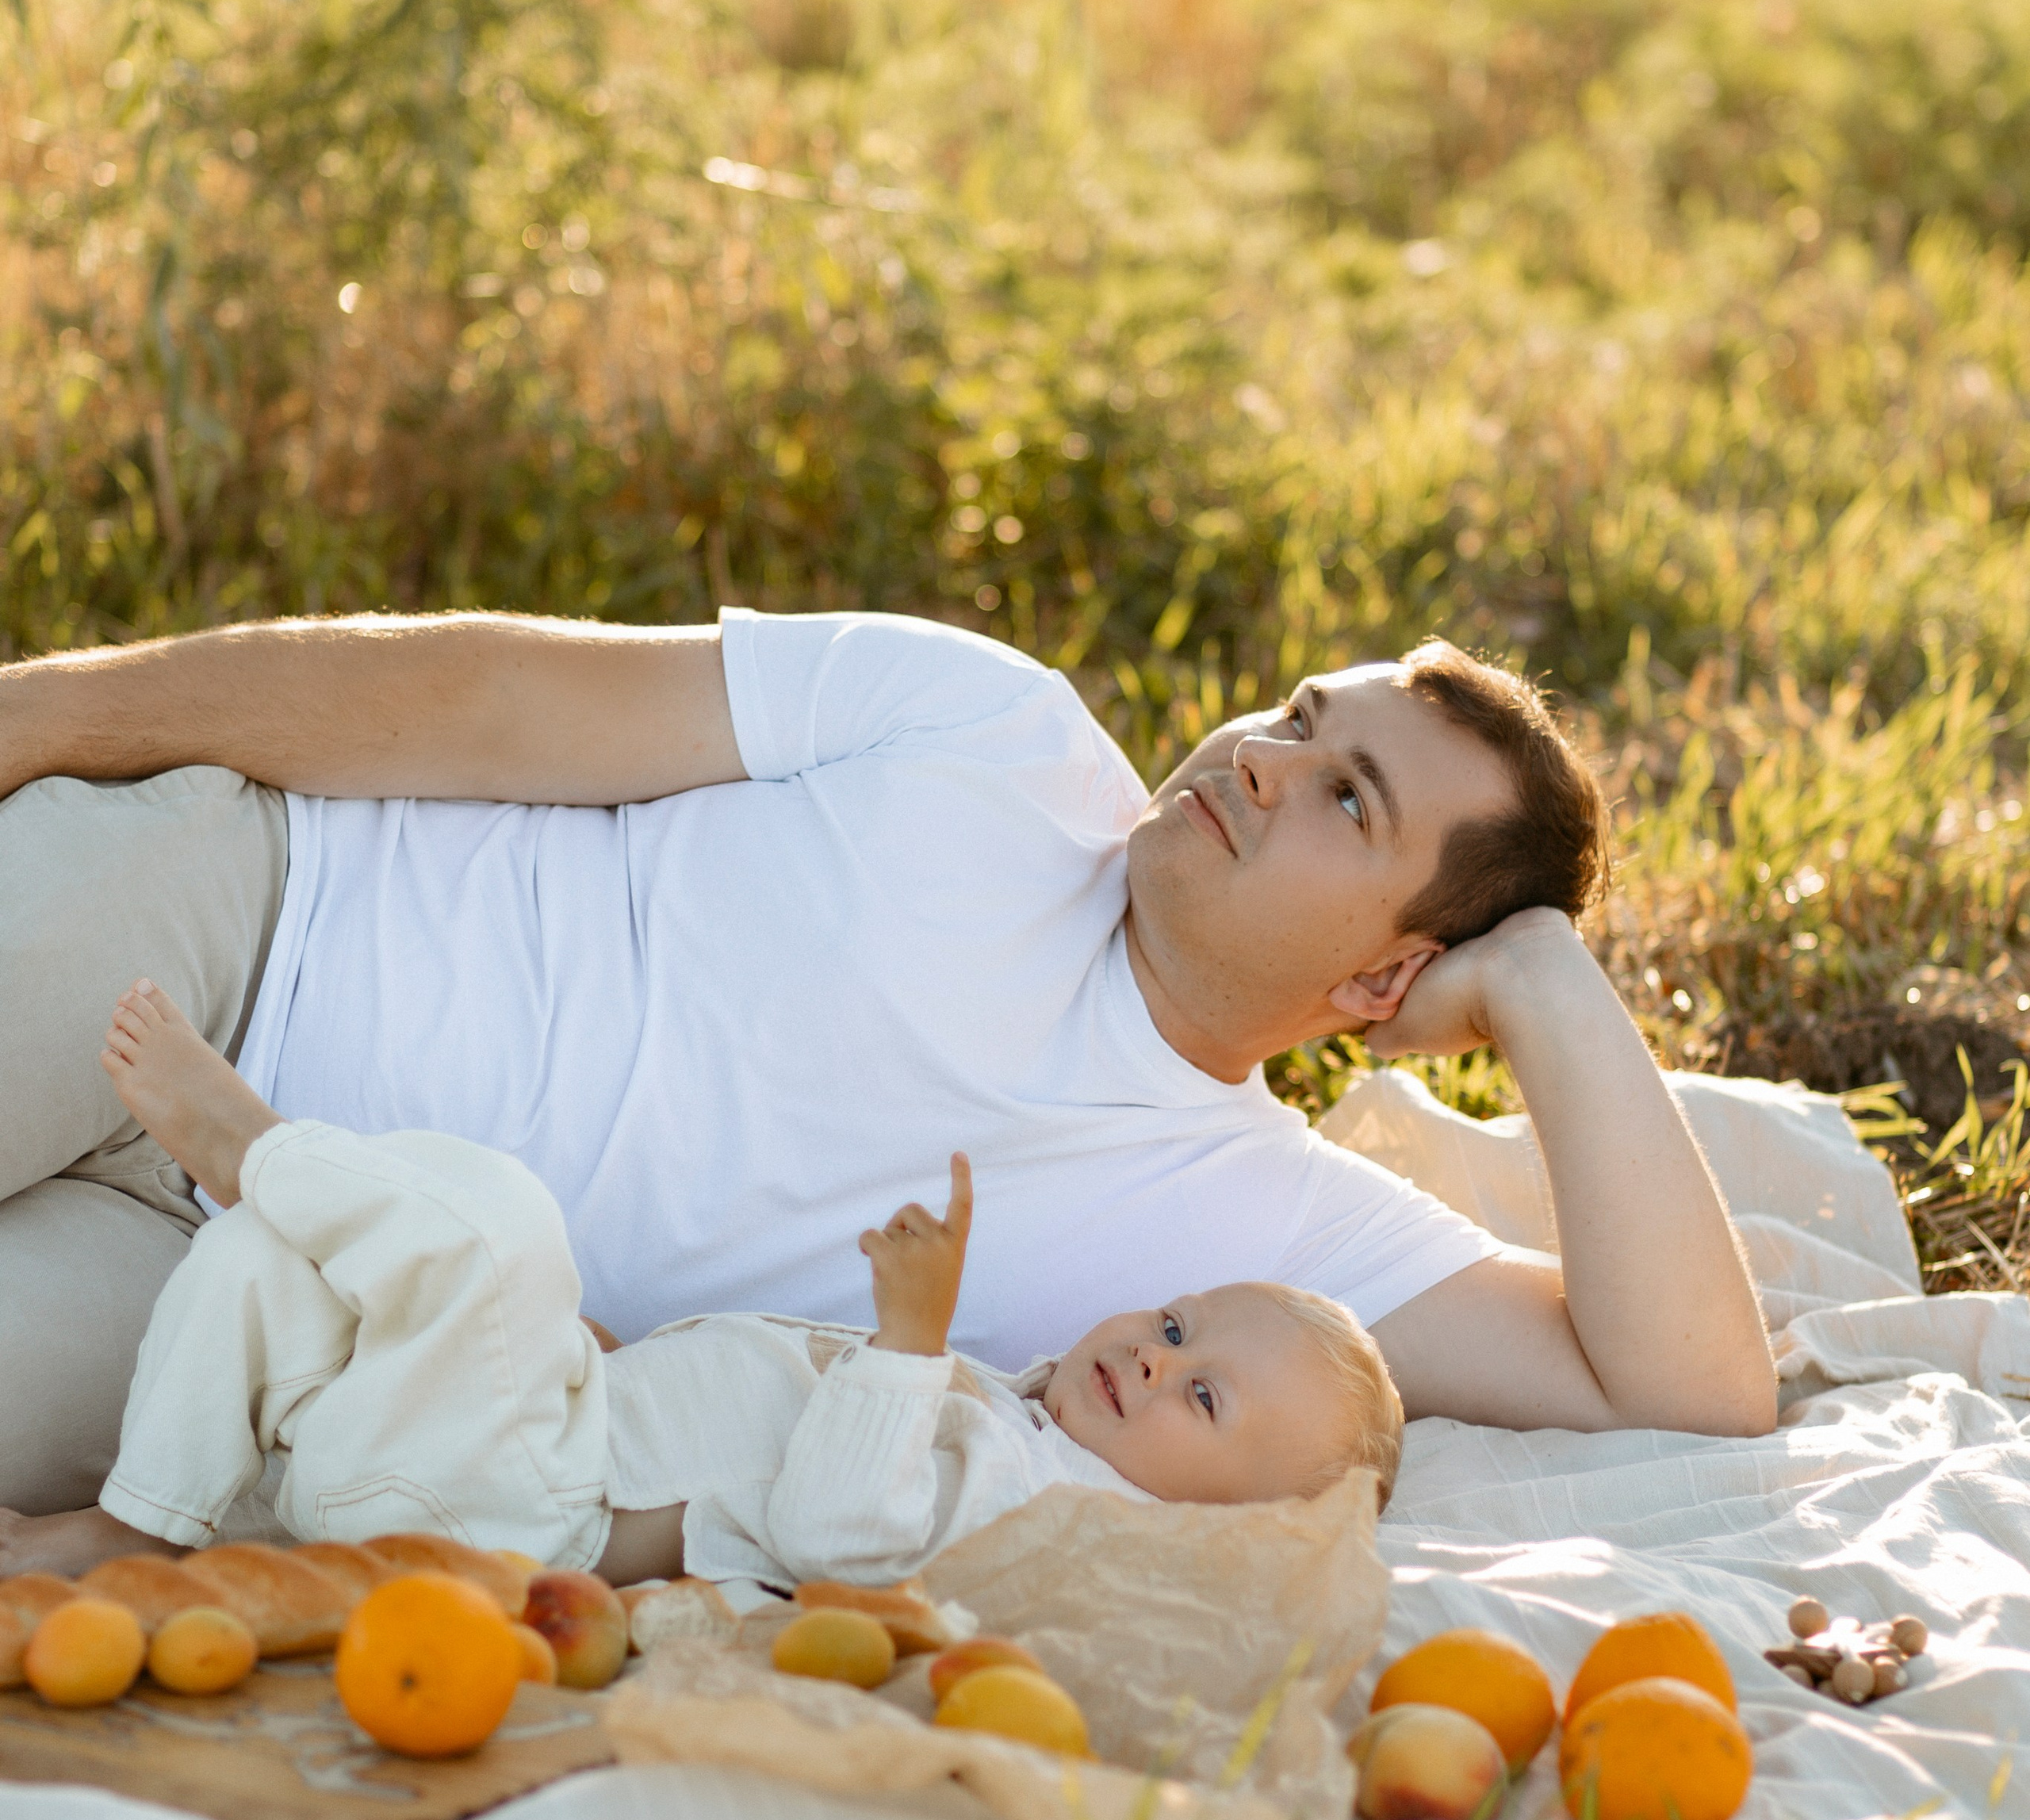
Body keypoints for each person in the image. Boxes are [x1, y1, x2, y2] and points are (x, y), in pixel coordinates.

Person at [0, 607, 1777, 1508]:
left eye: (1343, 799)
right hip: (236, 931)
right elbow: (474, 696)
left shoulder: (1248, 1241)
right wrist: (46, 714)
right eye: (1301, 717)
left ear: (1383, 977)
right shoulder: (986, 729)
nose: (1259, 758)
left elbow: (1689, 1392)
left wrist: (1544, 988)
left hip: (269, 1278)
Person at [0, 981, 1404, 1599]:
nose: (1156, 1358)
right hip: (523, 1442)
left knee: (499, 1230)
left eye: (1202, 1393)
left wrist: (909, 1342)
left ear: (1231, 1528)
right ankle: (138, 1528)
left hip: (518, 1520)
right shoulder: (1021, 1419)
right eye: (1177, 1323)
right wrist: (612, 1360)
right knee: (265, 1273)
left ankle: (252, 1147)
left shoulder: (1044, 1516)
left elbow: (839, 1533)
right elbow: (729, 1414)